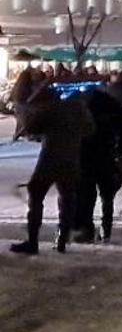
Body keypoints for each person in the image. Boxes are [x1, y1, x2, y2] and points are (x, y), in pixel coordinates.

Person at [10, 85, 94, 255]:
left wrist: (25, 113)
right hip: (71, 159)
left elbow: (32, 128)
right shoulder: (78, 109)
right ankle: (62, 240)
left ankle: (33, 242)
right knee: (68, 198)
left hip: (50, 159)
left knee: (36, 194)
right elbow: (90, 129)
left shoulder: (49, 109)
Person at [70, 86, 122, 242]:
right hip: (106, 155)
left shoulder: (82, 106)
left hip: (86, 156)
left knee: (85, 194)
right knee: (107, 196)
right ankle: (106, 230)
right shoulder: (112, 107)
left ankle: (85, 228)